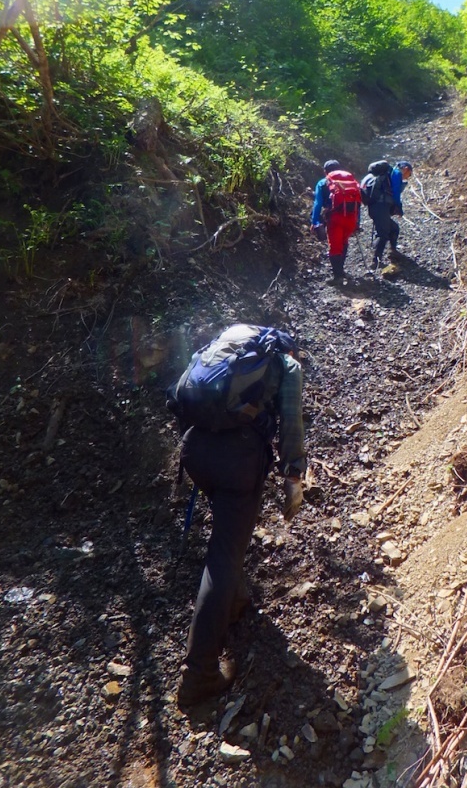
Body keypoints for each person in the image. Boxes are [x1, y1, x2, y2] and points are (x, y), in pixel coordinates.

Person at [175, 324, 307, 709]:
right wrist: (293, 479)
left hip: (195, 450)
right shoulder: (287, 366)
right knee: (224, 557)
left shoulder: (226, 349)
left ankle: (235, 600)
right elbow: (291, 426)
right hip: (238, 463)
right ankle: (198, 675)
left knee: (227, 537)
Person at [310, 159, 362, 284]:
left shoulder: (323, 183)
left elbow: (317, 204)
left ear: (325, 171)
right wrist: (357, 223)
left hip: (335, 218)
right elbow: (358, 203)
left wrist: (314, 221)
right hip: (351, 217)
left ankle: (338, 276)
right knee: (344, 242)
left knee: (335, 246)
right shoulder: (351, 182)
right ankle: (341, 270)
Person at [366, 160, 413, 269]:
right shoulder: (396, 173)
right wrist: (398, 207)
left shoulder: (388, 174)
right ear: (405, 169)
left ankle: (392, 251)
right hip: (380, 207)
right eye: (409, 174)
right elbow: (395, 192)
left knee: (394, 228)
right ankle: (375, 261)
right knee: (383, 234)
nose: (407, 177)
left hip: (375, 207)